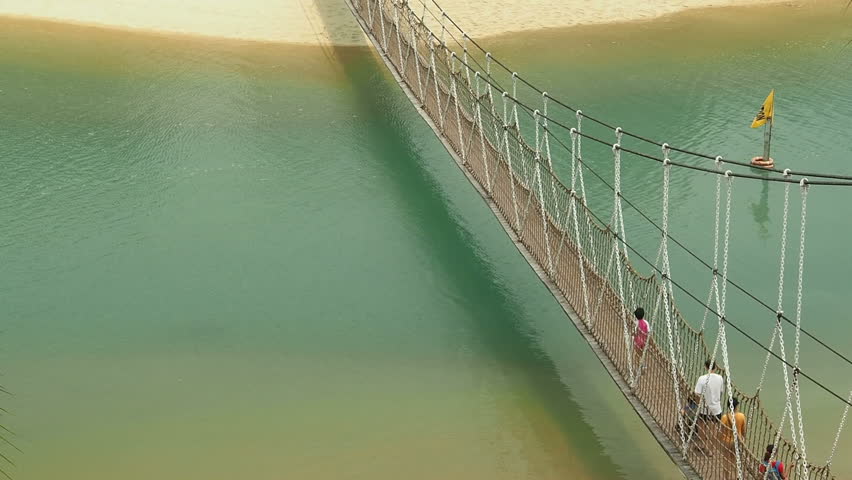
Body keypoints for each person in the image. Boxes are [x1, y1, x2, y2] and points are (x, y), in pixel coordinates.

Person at [693, 360, 725, 456]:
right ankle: (711, 450)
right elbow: (721, 391)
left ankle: (703, 446)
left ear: (705, 367)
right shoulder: (720, 378)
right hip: (716, 409)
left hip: (704, 408)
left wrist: (698, 404)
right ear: (715, 367)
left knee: (702, 428)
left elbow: (697, 394)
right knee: (714, 430)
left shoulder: (702, 379)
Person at [720, 398, 747, 479]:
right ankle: (736, 477)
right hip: (737, 441)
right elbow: (743, 431)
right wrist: (743, 440)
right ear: (737, 406)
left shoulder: (725, 417)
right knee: (735, 460)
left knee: (726, 460)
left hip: (726, 441)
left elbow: (722, 430)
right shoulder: (741, 416)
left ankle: (727, 478)